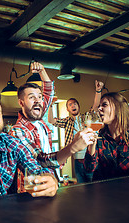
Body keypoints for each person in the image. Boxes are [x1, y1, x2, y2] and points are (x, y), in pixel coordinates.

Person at [9, 62, 96, 190]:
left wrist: (42, 71)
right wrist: (73, 147)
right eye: (32, 97)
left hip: (52, 182)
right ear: (21, 102)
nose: (38, 100)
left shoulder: (39, 119)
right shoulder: (17, 131)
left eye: (39, 97)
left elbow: (49, 92)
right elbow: (40, 160)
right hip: (33, 189)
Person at [48, 80, 104, 183]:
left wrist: (98, 90)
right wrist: (51, 105)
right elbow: (51, 121)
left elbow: (95, 107)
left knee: (94, 185)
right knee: (81, 187)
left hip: (90, 158)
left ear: (78, 106)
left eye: (75, 104)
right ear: (68, 109)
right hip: (77, 160)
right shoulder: (67, 121)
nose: (73, 106)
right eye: (70, 105)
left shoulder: (86, 118)